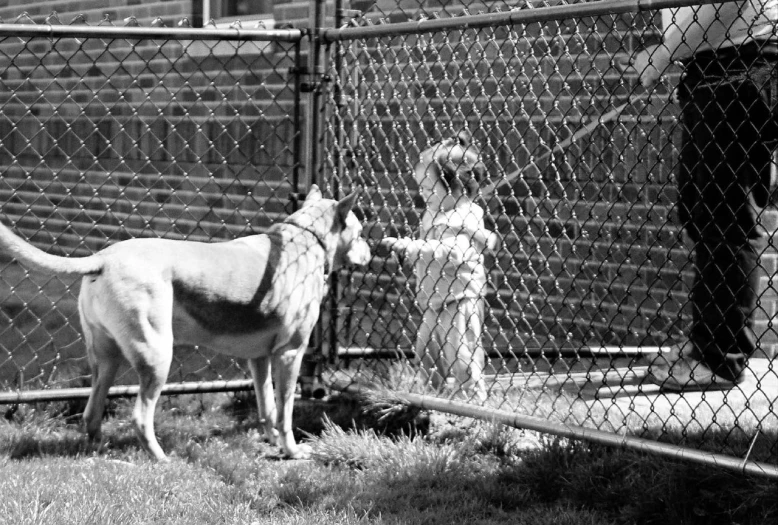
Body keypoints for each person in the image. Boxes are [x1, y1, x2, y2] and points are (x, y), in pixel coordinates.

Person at [631, 2, 778, 391]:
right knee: (701, 213)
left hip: (739, 63)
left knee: (723, 217)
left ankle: (721, 359)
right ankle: (707, 344)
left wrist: (663, 55)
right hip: (716, 67)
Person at [380, 131, 498, 401]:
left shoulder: (467, 216)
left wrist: (414, 247)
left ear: (456, 185)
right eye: (420, 186)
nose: (422, 193)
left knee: (461, 352)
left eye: (428, 187)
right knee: (426, 351)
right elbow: (429, 249)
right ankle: (432, 401)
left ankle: (472, 402)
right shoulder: (433, 213)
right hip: (433, 297)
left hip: (460, 297)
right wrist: (410, 253)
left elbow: (454, 253)